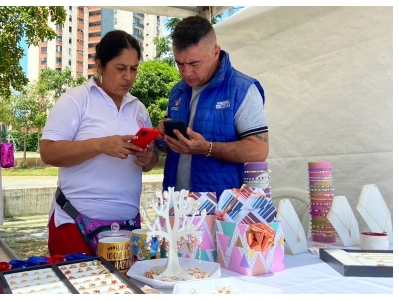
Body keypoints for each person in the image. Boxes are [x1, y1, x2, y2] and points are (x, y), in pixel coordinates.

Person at [40, 30, 159, 256]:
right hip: (74, 222)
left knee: (125, 288)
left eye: (134, 69)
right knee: (80, 287)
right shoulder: (75, 100)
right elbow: (48, 152)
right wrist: (100, 145)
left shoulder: (138, 108)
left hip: (127, 225)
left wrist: (149, 158)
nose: (129, 77)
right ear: (100, 66)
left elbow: (149, 162)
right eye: (120, 68)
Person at [155, 16, 269, 198]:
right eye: (179, 64)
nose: (186, 72)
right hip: (176, 206)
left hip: (222, 209)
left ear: (216, 52)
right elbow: (167, 148)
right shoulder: (178, 91)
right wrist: (162, 136)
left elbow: (259, 150)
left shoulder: (242, 89)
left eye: (194, 64)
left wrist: (207, 148)